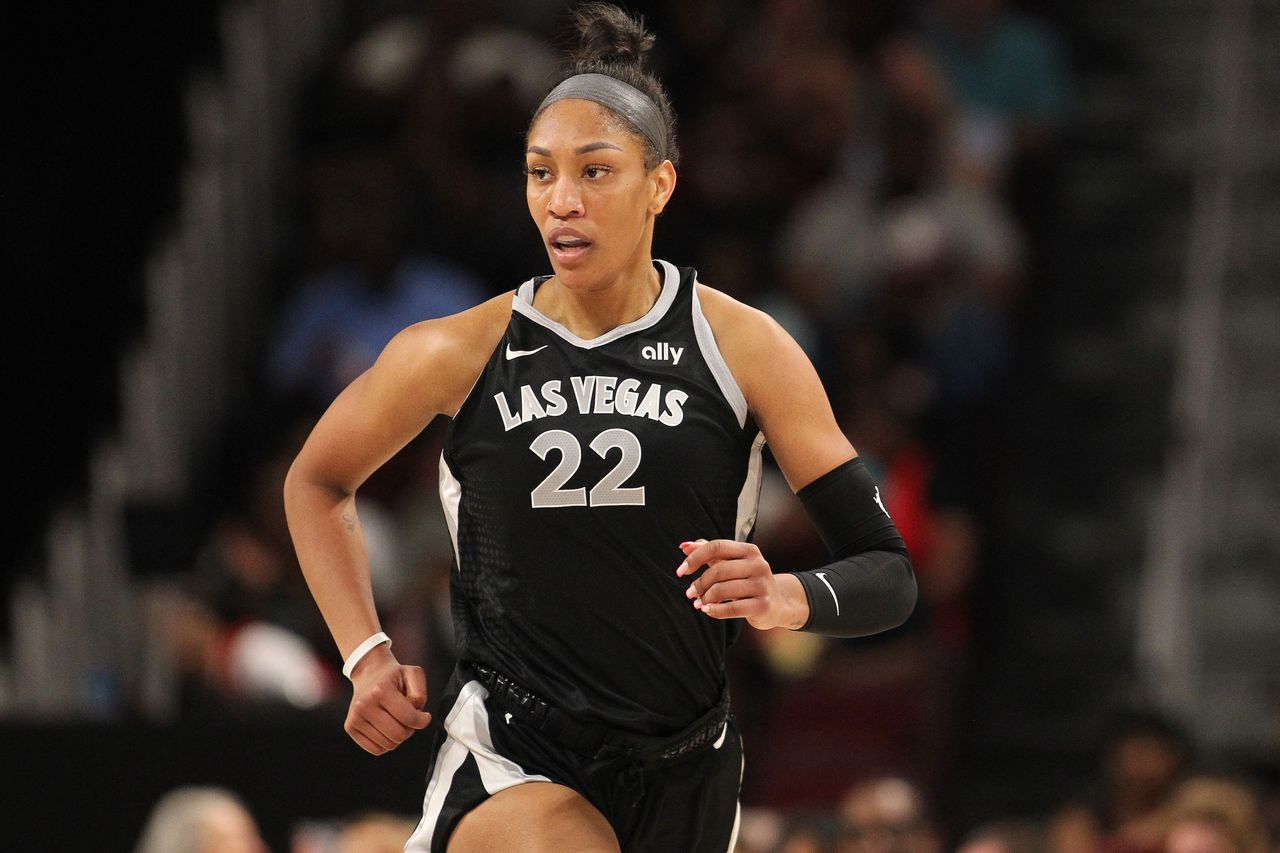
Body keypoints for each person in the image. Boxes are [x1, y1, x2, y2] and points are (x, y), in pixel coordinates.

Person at [283, 4, 917, 851]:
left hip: (686, 763)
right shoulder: (455, 350)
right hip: (519, 751)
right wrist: (364, 652)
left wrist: (786, 593)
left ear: (660, 183)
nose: (562, 200)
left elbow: (889, 572)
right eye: (540, 173)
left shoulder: (744, 346)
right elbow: (317, 480)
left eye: (594, 171)